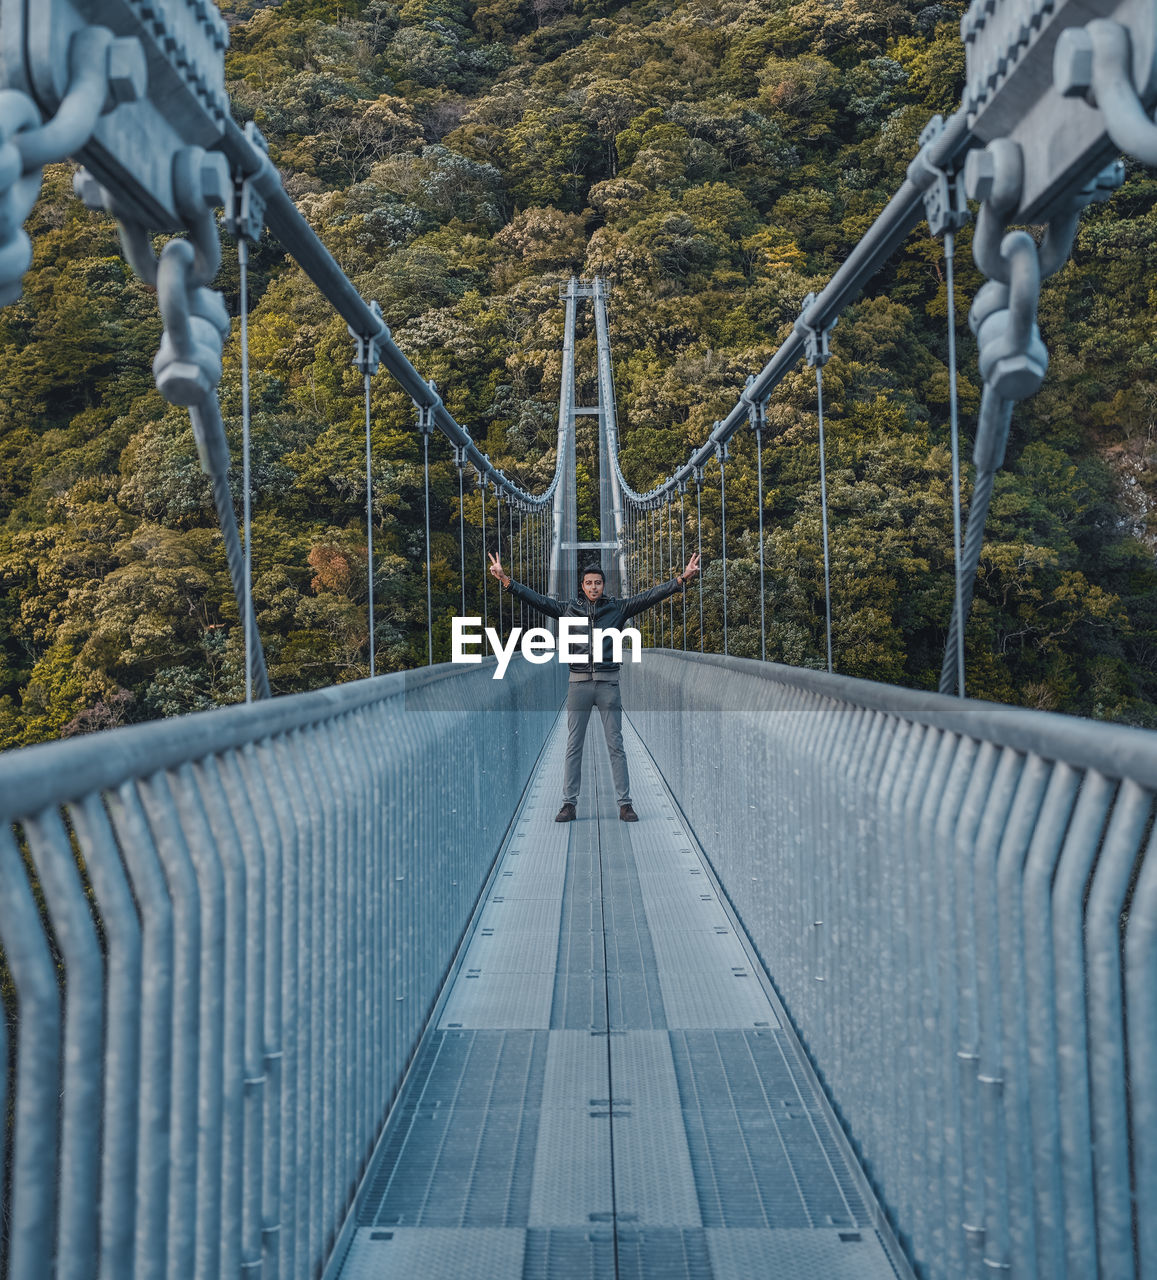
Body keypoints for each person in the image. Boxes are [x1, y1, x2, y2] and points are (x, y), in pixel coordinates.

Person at [487, 550, 701, 822]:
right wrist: (506, 580)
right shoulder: (568, 610)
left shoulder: (618, 608)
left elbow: (649, 597)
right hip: (578, 684)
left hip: (608, 683)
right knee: (573, 745)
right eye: (588, 583)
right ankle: (568, 804)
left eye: (597, 583)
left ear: (603, 585)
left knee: (615, 744)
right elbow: (538, 601)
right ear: (582, 585)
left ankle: (625, 804)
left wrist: (681, 578)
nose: (593, 587)